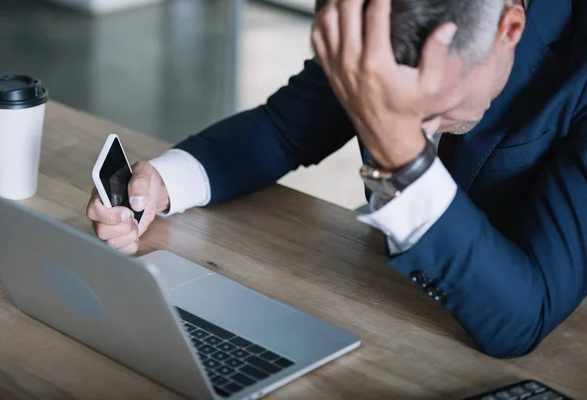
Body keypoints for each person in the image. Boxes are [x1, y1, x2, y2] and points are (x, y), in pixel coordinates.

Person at [86, 0, 587, 359]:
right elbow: (286, 129)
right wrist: (164, 183)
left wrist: (400, 151)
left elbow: (527, 318)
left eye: (435, 109)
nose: (420, 132)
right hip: (381, 316)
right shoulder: (374, 21)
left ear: (511, 28)